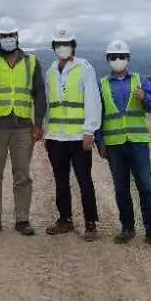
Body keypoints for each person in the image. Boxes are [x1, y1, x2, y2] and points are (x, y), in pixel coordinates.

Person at [96, 40, 151, 248]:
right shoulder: (102, 85)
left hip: (138, 143)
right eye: (113, 57)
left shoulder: (140, 81)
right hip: (114, 145)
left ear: (128, 59)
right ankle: (127, 228)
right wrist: (100, 142)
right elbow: (98, 116)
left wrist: (145, 96)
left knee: (146, 187)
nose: (117, 60)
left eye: (121, 57)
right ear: (108, 60)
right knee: (121, 189)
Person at [0, 16, 47, 236]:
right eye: (3, 35)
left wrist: (38, 123)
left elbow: (40, 94)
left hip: (23, 128)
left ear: (17, 36)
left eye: (10, 35)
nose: (7, 38)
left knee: (22, 175)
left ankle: (22, 219)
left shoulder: (31, 62)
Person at [43, 23, 102, 241]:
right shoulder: (50, 71)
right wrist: (46, 131)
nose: (62, 47)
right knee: (60, 180)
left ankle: (90, 223)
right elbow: (48, 104)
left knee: (84, 180)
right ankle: (65, 219)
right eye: (59, 44)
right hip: (56, 137)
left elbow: (93, 100)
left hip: (78, 137)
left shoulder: (84, 68)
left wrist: (89, 131)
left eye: (66, 43)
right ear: (54, 46)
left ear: (73, 45)